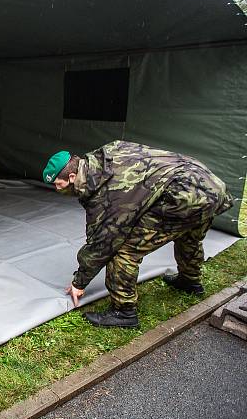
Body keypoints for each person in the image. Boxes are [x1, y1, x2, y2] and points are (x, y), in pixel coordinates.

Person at [42, 140, 232, 328]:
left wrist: (79, 282)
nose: (58, 190)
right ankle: (190, 281)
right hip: (209, 185)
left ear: (73, 176)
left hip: (183, 196)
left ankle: (124, 312)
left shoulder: (108, 191)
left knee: (123, 250)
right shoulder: (108, 153)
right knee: (188, 235)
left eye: (58, 185)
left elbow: (102, 243)